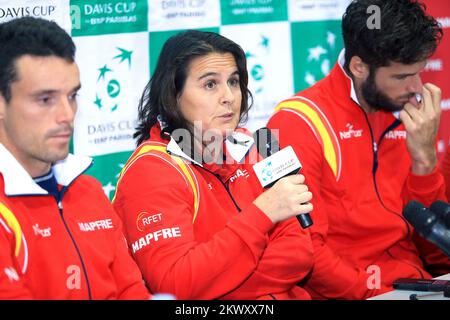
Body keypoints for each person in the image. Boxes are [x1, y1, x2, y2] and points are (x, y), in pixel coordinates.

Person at [267, 0, 450, 300]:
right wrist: (377, 293)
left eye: (419, 73)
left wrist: (424, 161)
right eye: (402, 77)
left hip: (418, 285)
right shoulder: (296, 124)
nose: (417, 87)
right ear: (359, 67)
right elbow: (307, 253)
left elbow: (436, 249)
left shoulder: (406, 112)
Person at [112, 30, 314, 300]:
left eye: (234, 81)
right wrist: (262, 214)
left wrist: (219, 283)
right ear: (173, 94)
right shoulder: (152, 170)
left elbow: (300, 255)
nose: (228, 96)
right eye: (210, 84)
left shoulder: (252, 144)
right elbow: (175, 287)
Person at [0, 17, 150, 300]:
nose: (67, 115)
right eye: (45, 100)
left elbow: (131, 290)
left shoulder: (88, 191)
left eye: (72, 96)